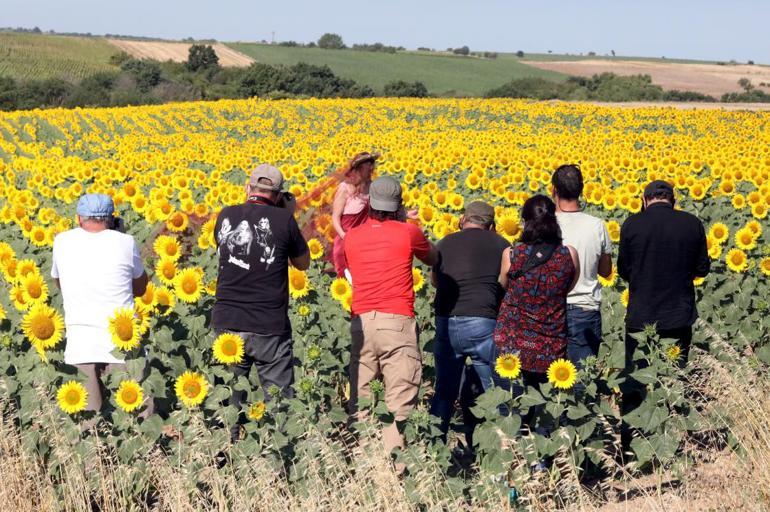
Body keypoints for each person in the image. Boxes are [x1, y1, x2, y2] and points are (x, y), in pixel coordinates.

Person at [344, 176, 438, 470]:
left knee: (361, 401)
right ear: (398, 205)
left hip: (361, 322)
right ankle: (393, 475)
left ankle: (364, 467)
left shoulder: (352, 236)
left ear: (370, 202)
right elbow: (433, 257)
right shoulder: (408, 232)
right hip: (396, 322)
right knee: (398, 403)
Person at [212, 163, 310, 441]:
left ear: (248, 188)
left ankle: (223, 457)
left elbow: (221, 247)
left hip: (227, 322)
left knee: (228, 397)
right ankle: (277, 464)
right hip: (269, 326)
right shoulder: (283, 220)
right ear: (278, 195)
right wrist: (288, 216)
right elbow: (302, 264)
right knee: (278, 401)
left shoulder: (226, 215)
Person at [616, 180, 709, 452]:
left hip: (640, 317)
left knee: (635, 379)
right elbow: (702, 269)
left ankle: (631, 445)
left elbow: (624, 270)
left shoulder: (632, 224)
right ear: (673, 200)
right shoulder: (691, 224)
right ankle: (671, 442)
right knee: (674, 377)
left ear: (644, 200)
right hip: (678, 316)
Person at [51, 193, 153, 421]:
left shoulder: (61, 241)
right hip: (121, 343)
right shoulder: (125, 242)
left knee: (89, 424)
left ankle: (94, 457)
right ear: (111, 219)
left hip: (80, 344)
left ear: (78, 218)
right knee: (136, 419)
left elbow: (60, 283)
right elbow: (140, 288)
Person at [494, 195, 579, 433]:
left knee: (511, 403)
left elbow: (504, 285)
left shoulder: (511, 254)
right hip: (549, 340)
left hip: (513, 337)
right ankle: (540, 461)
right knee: (544, 405)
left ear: (524, 221)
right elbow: (568, 286)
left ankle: (513, 455)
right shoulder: (568, 254)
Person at [429, 200, 509, 443]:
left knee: (444, 391)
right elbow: (507, 280)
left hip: (447, 321)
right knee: (497, 392)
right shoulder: (502, 244)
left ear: (462, 220)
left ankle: (433, 453)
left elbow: (434, 281)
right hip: (482, 322)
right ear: (492, 225)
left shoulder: (444, 242)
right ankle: (504, 451)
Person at [551, 164, 613, 369]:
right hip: (585, 308)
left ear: (554, 190)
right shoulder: (596, 225)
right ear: (581, 190)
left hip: (549, 309)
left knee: (549, 380)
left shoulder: (543, 224)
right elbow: (606, 271)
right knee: (582, 380)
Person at [331, 152, 377, 278]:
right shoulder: (345, 188)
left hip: (365, 244)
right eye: (368, 166)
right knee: (347, 283)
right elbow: (335, 218)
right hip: (345, 244)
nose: (372, 169)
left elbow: (380, 213)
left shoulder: (373, 187)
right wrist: (344, 237)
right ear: (359, 169)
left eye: (372, 166)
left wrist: (406, 214)